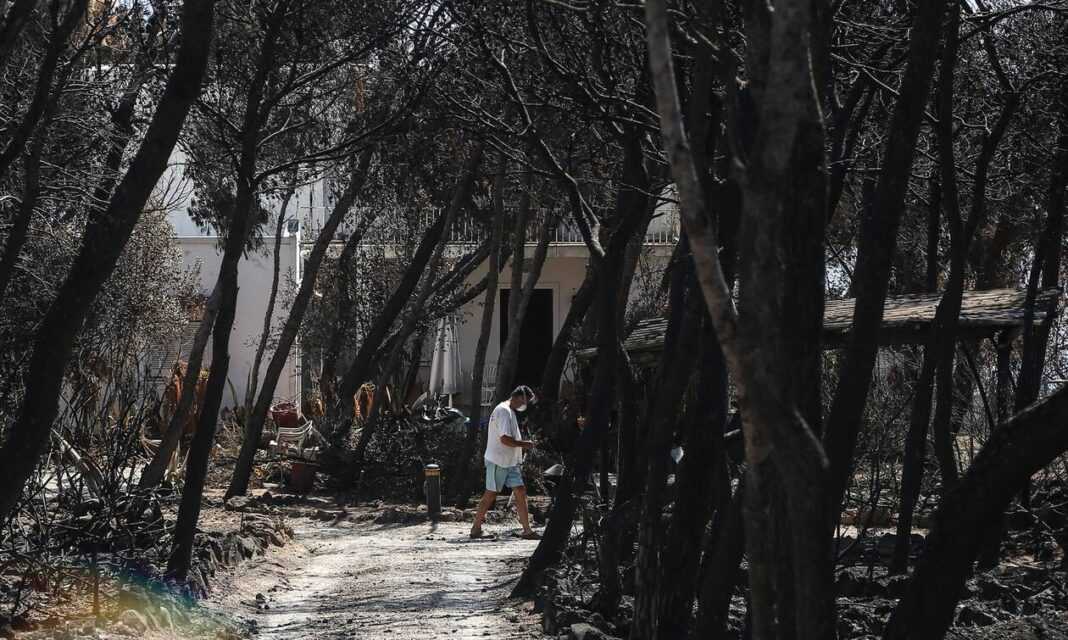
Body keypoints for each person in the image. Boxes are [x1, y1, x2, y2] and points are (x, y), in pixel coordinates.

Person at [470, 385, 541, 540]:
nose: (525, 405)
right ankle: (476, 528)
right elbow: (505, 439)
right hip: (499, 460)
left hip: (509, 462)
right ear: (520, 397)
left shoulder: (509, 411)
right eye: (526, 401)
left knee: (520, 491)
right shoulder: (503, 411)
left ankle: (527, 530)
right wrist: (525, 444)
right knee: (490, 494)